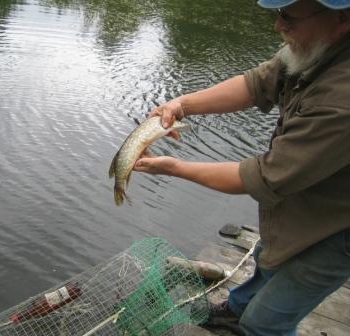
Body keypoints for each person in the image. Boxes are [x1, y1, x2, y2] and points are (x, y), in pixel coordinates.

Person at [134, 0, 350, 335]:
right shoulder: (315, 43)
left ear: (343, 18)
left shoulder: (342, 98)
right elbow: (257, 83)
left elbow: (265, 176)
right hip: (302, 199)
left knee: (265, 323)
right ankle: (234, 311)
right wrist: (181, 105)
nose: (278, 26)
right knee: (268, 258)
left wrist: (174, 168)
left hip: (338, 227)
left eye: (288, 17)